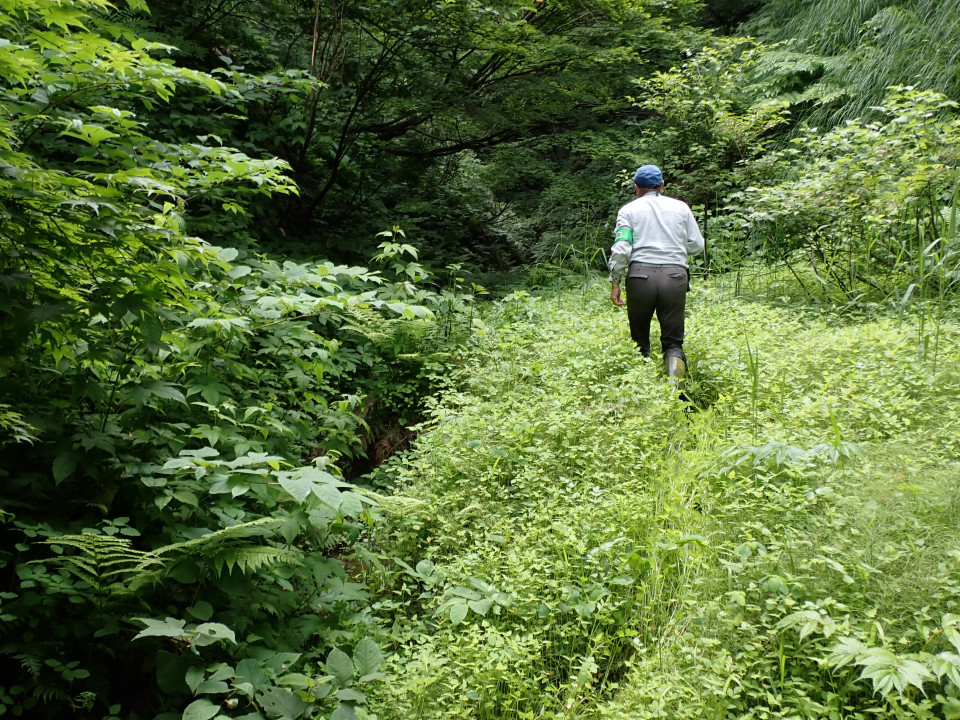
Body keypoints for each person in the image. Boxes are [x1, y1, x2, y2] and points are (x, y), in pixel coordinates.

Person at [608, 164, 704, 383]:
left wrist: (615, 281)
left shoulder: (628, 211)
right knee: (673, 342)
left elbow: (622, 248)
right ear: (662, 185)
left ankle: (643, 387)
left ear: (636, 188)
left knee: (639, 339)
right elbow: (697, 245)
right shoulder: (681, 208)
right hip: (675, 276)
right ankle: (674, 388)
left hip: (640, 277)